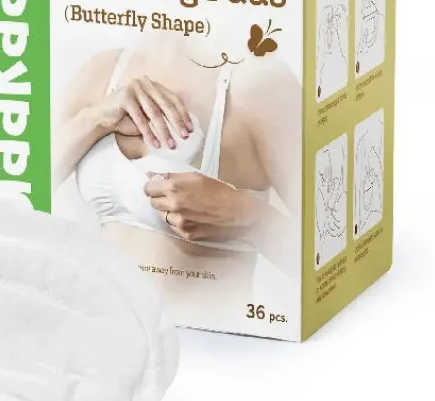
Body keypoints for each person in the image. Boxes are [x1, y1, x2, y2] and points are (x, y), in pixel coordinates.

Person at [53, 41, 301, 323]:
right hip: (103, 328)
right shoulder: (103, 70)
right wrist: (95, 119)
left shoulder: (260, 85)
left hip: (211, 338)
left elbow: (328, 257)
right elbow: (22, 193)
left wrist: (251, 219)